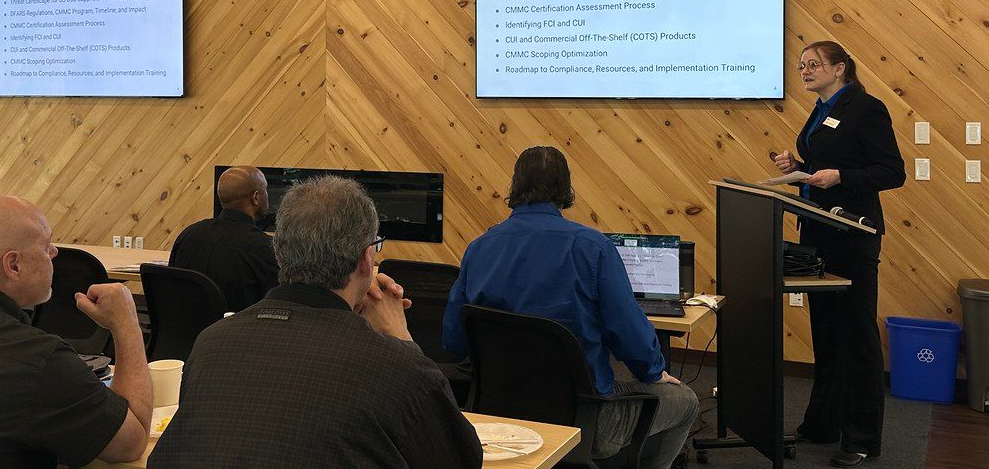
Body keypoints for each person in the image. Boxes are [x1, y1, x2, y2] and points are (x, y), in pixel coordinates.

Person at [149, 175, 482, 469]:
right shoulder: (397, 366)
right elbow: (462, 459)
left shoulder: (212, 342)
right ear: (367, 259)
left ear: (279, 251)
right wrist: (399, 335)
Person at [442, 146, 699, 468]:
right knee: (684, 400)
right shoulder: (593, 248)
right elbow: (630, 335)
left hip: (499, 422)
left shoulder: (479, 248)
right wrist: (653, 371)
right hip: (584, 422)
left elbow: (453, 341)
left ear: (514, 186)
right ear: (566, 188)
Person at [774, 41, 905, 468]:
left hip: (852, 236)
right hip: (819, 234)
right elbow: (823, 167)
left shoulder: (867, 108)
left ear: (840, 68)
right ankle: (823, 424)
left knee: (856, 336)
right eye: (801, 66)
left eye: (813, 65)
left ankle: (862, 437)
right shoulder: (819, 109)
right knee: (827, 335)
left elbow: (892, 171)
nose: (805, 70)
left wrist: (841, 176)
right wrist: (798, 167)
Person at [0, 196, 152, 469]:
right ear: (13, 266)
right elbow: (131, 443)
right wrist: (126, 323)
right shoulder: (36, 361)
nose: (54, 253)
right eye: (46, 245)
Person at [169, 165, 278, 311]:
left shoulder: (188, 236)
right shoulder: (264, 248)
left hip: (183, 330)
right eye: (265, 189)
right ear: (256, 197)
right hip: (239, 332)